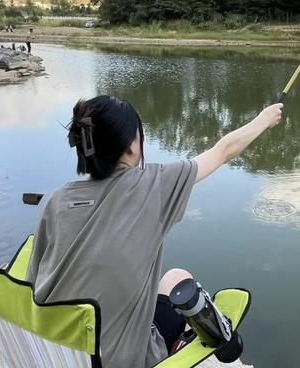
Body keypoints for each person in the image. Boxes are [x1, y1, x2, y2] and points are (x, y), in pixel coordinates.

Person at [26, 95, 283, 368]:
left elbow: (31, 284)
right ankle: (199, 345)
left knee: (172, 278)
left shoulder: (56, 201)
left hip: (56, 353)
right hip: (124, 358)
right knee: (180, 280)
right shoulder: (151, 186)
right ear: (130, 148)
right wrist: (264, 119)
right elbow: (223, 151)